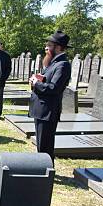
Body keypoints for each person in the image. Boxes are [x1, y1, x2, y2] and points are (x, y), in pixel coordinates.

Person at [28, 30, 72, 163]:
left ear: (58, 47)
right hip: (41, 110)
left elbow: (54, 88)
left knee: (45, 146)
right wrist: (38, 80)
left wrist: (37, 84)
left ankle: (47, 171)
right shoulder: (53, 63)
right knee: (41, 144)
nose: (46, 48)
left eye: (49, 45)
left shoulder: (63, 65)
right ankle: (43, 169)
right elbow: (47, 82)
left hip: (48, 111)